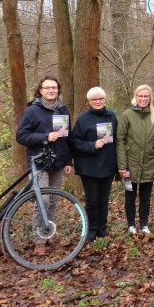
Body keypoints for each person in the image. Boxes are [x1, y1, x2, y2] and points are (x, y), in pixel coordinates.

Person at [16, 75, 73, 256]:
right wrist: (44, 137)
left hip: (57, 162)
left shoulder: (63, 109)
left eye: (54, 88)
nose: (51, 90)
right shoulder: (32, 111)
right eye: (47, 88)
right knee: (43, 200)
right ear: (40, 90)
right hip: (38, 163)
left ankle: (48, 233)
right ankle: (39, 240)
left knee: (53, 200)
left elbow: (66, 138)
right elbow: (21, 136)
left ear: (58, 90)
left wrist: (68, 161)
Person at [69, 87, 118, 242]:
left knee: (104, 200)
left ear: (105, 99)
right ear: (89, 101)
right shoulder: (83, 119)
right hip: (89, 166)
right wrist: (92, 145)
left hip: (108, 164)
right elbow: (74, 142)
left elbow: (117, 139)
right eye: (94, 99)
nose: (98, 102)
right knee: (92, 201)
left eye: (100, 99)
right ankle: (91, 230)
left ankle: (102, 229)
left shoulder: (112, 116)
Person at [117, 85, 154, 235]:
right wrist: (122, 166)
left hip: (149, 163)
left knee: (146, 197)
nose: (143, 99)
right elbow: (120, 140)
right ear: (135, 97)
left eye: (146, 96)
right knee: (130, 196)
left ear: (150, 98)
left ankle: (144, 224)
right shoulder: (127, 115)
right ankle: (131, 224)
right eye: (140, 96)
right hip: (130, 164)